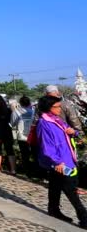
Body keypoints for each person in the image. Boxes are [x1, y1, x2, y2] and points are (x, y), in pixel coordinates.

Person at [36, 95, 87, 227]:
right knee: (70, 189)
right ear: (48, 108)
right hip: (60, 162)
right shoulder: (44, 123)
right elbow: (47, 146)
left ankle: (53, 209)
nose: (60, 109)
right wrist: (57, 162)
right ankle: (84, 217)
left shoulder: (57, 119)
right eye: (57, 107)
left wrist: (73, 132)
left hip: (67, 158)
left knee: (55, 185)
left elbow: (71, 131)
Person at [12, 96, 38, 176]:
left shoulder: (16, 112)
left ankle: (27, 172)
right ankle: (37, 172)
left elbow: (12, 123)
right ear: (29, 102)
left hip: (22, 136)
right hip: (32, 135)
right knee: (35, 154)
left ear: (20, 103)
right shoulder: (33, 111)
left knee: (24, 154)